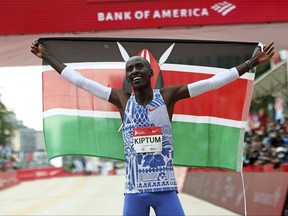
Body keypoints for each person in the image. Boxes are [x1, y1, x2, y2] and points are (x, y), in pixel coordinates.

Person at [31, 40, 274, 216]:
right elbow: (80, 81)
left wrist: (252, 63)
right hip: (134, 192)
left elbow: (211, 84)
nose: (134, 71)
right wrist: (47, 57)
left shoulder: (167, 96)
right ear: (127, 78)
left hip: (165, 191)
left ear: (150, 72)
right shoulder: (121, 99)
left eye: (139, 67)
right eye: (130, 69)